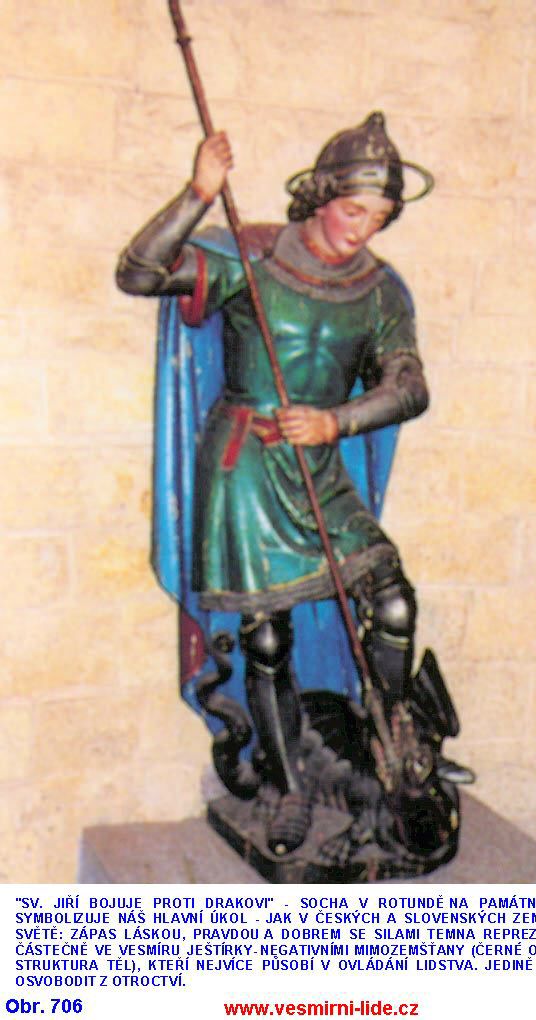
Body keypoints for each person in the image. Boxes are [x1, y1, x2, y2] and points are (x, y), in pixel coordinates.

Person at [117, 112, 435, 854]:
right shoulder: (252, 260)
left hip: (318, 462)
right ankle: (287, 785)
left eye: (378, 217)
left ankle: (389, 740)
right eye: (352, 210)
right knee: (266, 639)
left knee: (390, 599)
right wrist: (198, 193)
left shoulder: (380, 291)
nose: (362, 229)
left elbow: (409, 386)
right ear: (320, 196)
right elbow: (139, 273)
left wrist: (335, 422)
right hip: (248, 465)